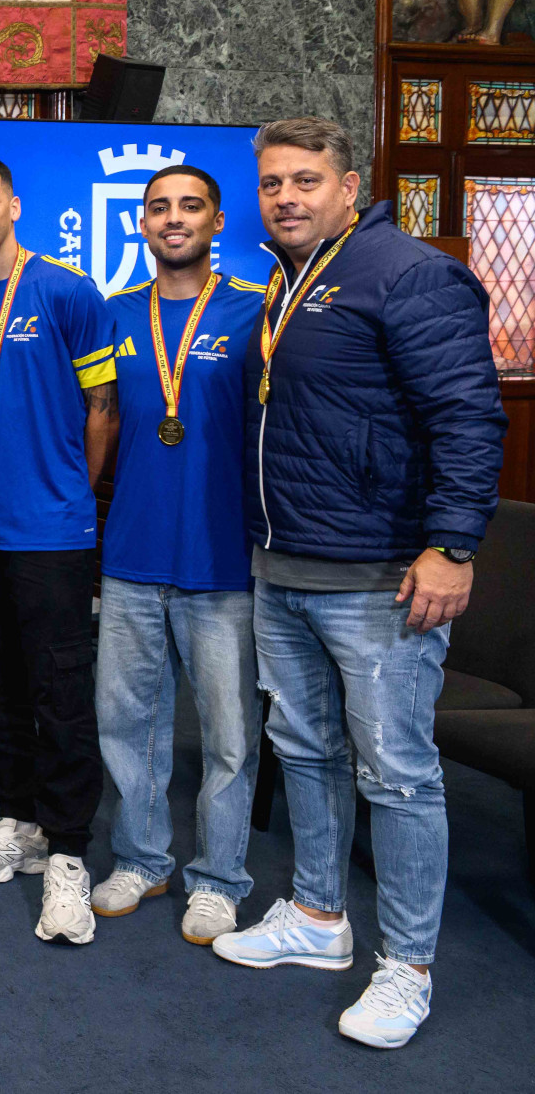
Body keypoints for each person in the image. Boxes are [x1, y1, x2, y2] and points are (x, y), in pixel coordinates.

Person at [209, 118, 506, 1050]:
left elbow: (466, 411)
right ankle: (320, 918)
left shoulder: (408, 272)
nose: (286, 197)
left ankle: (408, 966)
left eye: (305, 180)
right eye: (271, 184)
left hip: (379, 576)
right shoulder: (290, 282)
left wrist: (452, 544)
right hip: (285, 563)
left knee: (399, 775)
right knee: (305, 749)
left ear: (349, 186)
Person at [0, 154, 117, 947]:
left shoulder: (68, 291)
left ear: (14, 205)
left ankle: (69, 852)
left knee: (60, 692)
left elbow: (101, 409)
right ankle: (19, 820)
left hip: (51, 530)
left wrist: (71, 492)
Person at [92, 165, 269, 945]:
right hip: (130, 555)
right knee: (127, 724)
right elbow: (96, 425)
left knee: (229, 736)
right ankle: (142, 856)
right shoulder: (113, 313)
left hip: (221, 562)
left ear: (217, 220)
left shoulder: (256, 314)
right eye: (158, 207)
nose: (173, 219)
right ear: (141, 223)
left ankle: (221, 877)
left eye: (189, 206)